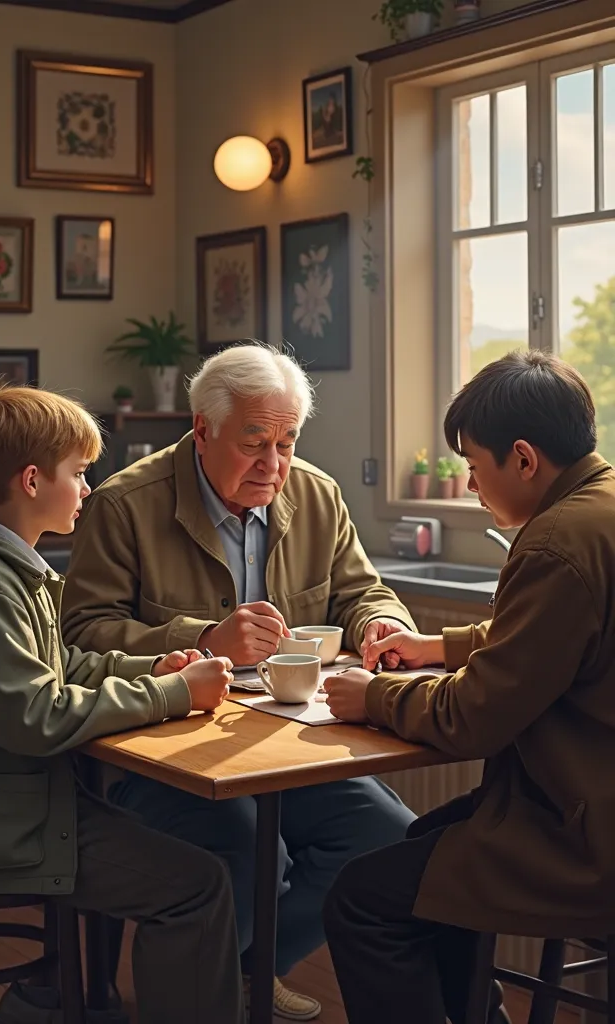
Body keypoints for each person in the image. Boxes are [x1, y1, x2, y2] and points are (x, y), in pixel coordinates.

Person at [62, 341, 418, 1021]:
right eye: (257, 442)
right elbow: (81, 634)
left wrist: (380, 624)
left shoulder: (316, 495)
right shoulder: (125, 506)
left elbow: (364, 591)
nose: (275, 464)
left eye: (287, 442)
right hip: (164, 753)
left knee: (387, 835)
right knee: (245, 846)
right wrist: (198, 638)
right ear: (202, 431)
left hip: (293, 743)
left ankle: (242, 972)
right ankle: (207, 993)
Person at [0, 384, 244, 1024]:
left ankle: (77, 1002)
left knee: (210, 855)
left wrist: (153, 665)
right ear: (34, 480)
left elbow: (63, 665)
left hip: (18, 803)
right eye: (79, 473)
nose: (88, 488)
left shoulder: (14, 570)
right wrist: (174, 693)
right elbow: (35, 717)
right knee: (199, 886)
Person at [322, 350, 615, 1024]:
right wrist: (438, 645)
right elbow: (556, 643)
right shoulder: (598, 511)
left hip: (581, 831)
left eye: (475, 469)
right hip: (586, 798)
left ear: (523, 459)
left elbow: (473, 718)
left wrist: (374, 696)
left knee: (362, 903)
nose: (472, 489)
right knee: (420, 848)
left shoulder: (554, 544)